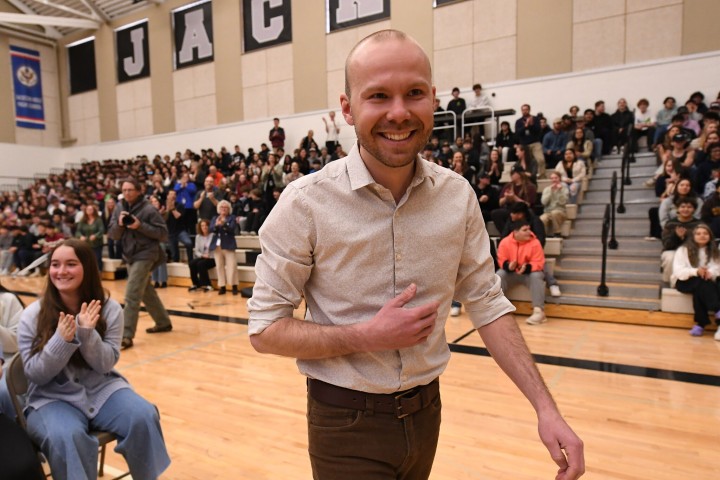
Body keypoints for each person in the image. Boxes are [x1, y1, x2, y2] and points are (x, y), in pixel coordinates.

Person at [247, 29, 583, 480]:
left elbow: (487, 302)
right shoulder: (305, 203)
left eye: (414, 93)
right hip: (345, 424)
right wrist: (366, 335)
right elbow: (265, 330)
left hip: (427, 413)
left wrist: (547, 408)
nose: (399, 113)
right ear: (347, 109)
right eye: (379, 96)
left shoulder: (457, 195)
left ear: (433, 99)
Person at [16, 239, 171, 479]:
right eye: (55, 264)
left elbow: (105, 364)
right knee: (67, 437)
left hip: (102, 389)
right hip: (51, 398)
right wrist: (61, 342)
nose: (61, 271)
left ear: (87, 268)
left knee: (143, 415)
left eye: (71, 264)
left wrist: (87, 335)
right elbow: (36, 375)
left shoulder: (110, 310)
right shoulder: (31, 315)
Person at [107, 178, 173, 350]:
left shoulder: (148, 209)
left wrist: (139, 225)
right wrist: (120, 225)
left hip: (147, 254)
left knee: (131, 294)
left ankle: (125, 336)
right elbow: (113, 235)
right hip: (130, 255)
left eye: (130, 189)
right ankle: (163, 322)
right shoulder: (119, 208)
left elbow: (163, 234)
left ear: (138, 191)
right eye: (124, 190)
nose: (127, 193)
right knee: (144, 291)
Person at [671, 224, 720, 338]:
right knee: (701, 282)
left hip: (705, 280)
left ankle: (700, 324)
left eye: (705, 233)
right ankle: (718, 310)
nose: (702, 236)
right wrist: (696, 272)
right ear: (693, 236)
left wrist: (710, 272)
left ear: (710, 236)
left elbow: (717, 268)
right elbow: (678, 271)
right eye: (698, 234)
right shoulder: (683, 250)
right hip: (684, 281)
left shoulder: (714, 250)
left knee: (701, 288)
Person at [496, 222, 548, 325]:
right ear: (515, 232)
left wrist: (528, 267)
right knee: (499, 274)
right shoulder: (505, 242)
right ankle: (498, 310)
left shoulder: (535, 242)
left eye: (529, 229)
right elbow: (501, 259)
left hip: (528, 274)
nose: (529, 232)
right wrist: (508, 266)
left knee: (537, 275)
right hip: (511, 273)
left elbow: (539, 262)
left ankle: (539, 312)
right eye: (525, 230)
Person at [661, 199, 700, 283]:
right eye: (682, 207)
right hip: (672, 250)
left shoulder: (699, 224)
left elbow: (702, 242)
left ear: (694, 209)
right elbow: (666, 244)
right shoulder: (670, 224)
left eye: (689, 207)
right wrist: (677, 237)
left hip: (692, 250)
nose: (686, 209)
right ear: (677, 209)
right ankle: (670, 283)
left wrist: (685, 238)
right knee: (670, 257)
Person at [209, 200, 238, 296]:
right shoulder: (215, 218)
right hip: (217, 246)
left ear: (229, 209)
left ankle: (234, 286)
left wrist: (224, 224)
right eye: (222, 207)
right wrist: (217, 225)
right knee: (219, 267)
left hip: (228, 245)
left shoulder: (232, 218)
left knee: (232, 266)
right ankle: (222, 287)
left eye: (225, 207)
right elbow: (211, 229)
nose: (223, 209)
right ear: (219, 209)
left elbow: (232, 229)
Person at [188, 219, 216, 292]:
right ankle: (196, 284)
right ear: (200, 227)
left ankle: (208, 285)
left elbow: (215, 249)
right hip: (202, 256)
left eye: (206, 225)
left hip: (212, 257)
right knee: (192, 263)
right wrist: (202, 255)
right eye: (202, 226)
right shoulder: (198, 237)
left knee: (201, 264)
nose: (204, 227)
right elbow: (196, 250)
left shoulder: (213, 235)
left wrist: (208, 255)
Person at [75, 204, 105, 270]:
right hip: (86, 244)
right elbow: (78, 231)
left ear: (94, 211)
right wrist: (80, 236)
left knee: (97, 259)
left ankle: (99, 273)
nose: (89, 211)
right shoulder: (82, 220)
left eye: (91, 209)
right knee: (86, 259)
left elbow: (101, 230)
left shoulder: (98, 220)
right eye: (88, 209)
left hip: (96, 243)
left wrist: (95, 235)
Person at [540, 172, 569, 237]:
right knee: (542, 219)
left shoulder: (564, 189)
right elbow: (543, 202)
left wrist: (560, 191)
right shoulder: (547, 189)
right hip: (548, 212)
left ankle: (557, 233)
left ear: (559, 179)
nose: (554, 180)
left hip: (560, 211)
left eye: (556, 178)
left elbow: (563, 202)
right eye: (552, 178)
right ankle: (544, 235)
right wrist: (550, 191)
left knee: (554, 213)